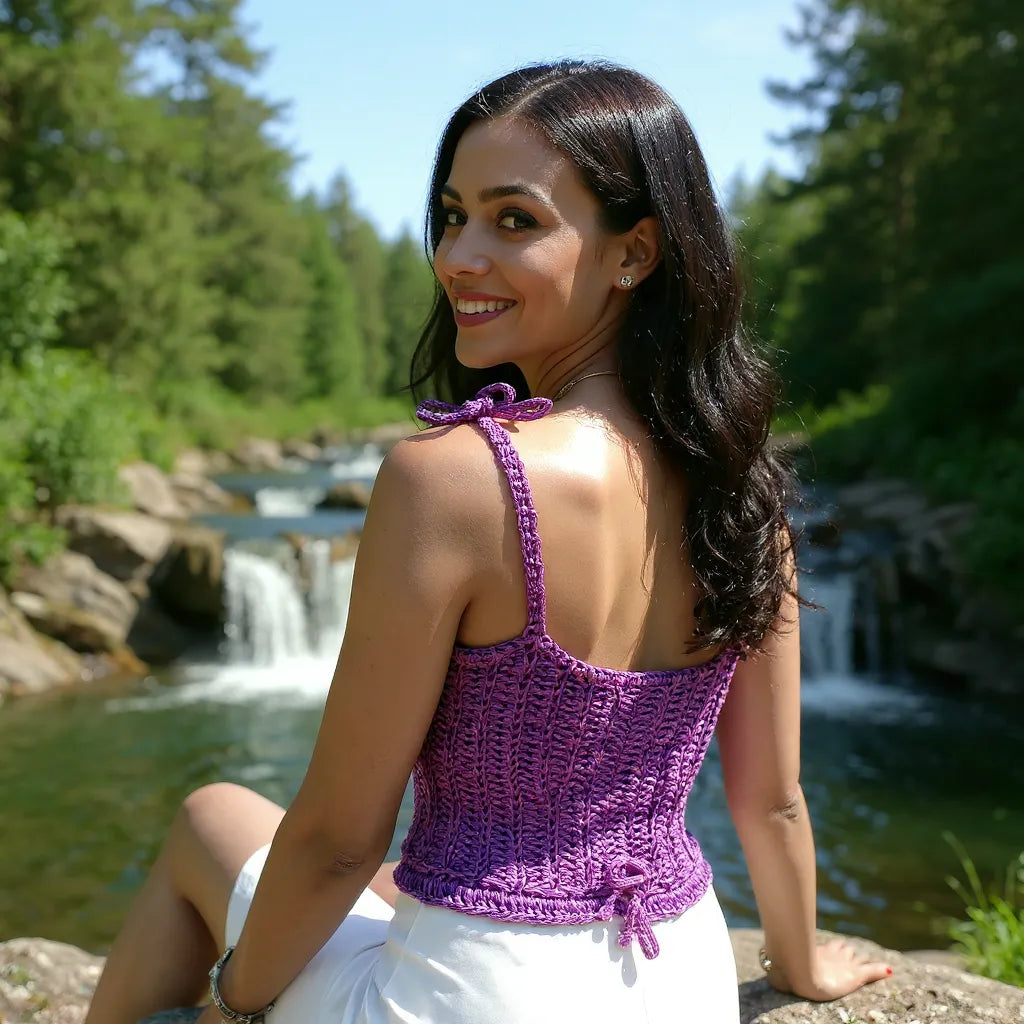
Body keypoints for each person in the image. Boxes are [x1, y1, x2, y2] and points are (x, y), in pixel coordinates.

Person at [85, 59, 894, 1024]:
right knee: (388, 881)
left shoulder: (458, 479)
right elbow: (772, 802)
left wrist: (233, 1000)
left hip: (480, 998)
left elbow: (340, 837)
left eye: (515, 220)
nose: (458, 255)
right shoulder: (745, 489)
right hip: (679, 978)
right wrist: (799, 969)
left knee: (209, 816)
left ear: (633, 252)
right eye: (452, 213)